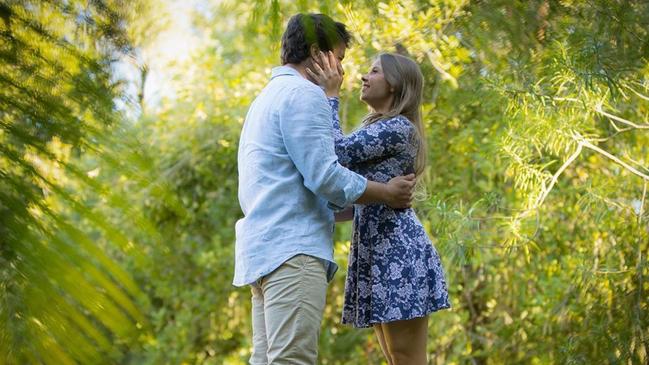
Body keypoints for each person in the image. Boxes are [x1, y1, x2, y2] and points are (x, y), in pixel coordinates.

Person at [234, 14, 417, 365]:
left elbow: (293, 183)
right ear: (318, 55)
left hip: (261, 252)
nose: (344, 72)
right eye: (340, 59)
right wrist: (385, 193)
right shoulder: (305, 95)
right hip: (293, 250)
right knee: (293, 360)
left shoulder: (264, 99)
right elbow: (326, 178)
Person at [307, 51, 451, 365]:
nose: (363, 76)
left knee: (405, 357)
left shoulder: (398, 128)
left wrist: (331, 97)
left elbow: (335, 153)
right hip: (377, 252)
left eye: (374, 71)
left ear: (395, 85)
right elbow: (348, 187)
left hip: (397, 252)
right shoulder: (378, 128)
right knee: (394, 356)